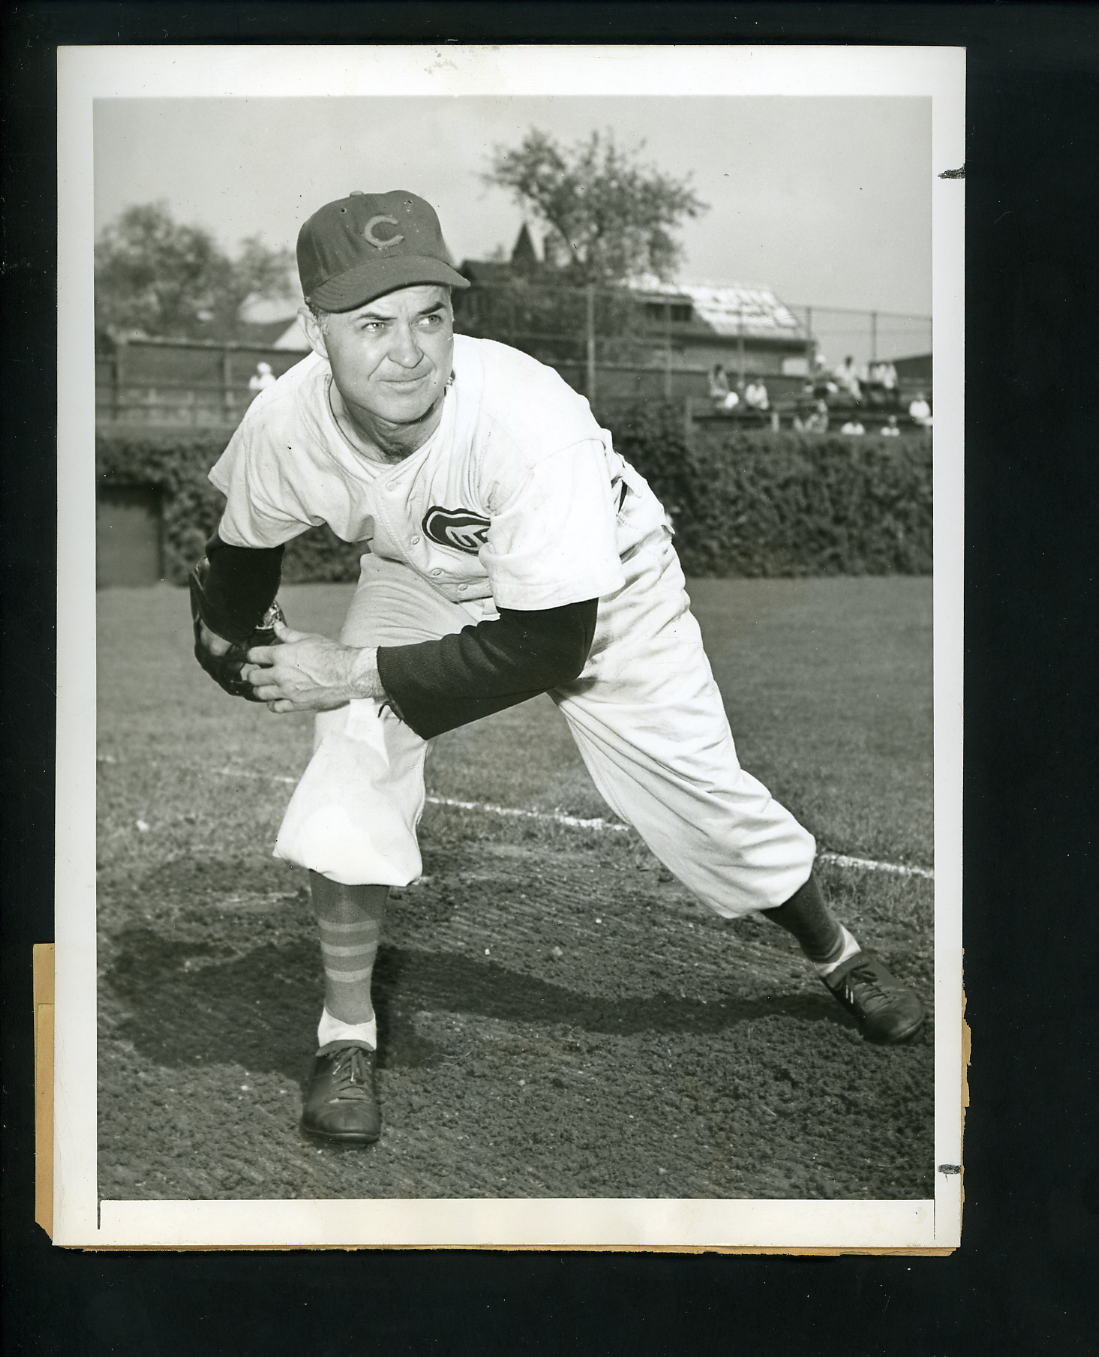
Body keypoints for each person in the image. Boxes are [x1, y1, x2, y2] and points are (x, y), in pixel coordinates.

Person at [190, 189, 925, 1147]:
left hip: (602, 586)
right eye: (371, 323)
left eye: (431, 315)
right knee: (350, 753)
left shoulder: (532, 424)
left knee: (693, 788)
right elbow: (240, 557)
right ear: (314, 329)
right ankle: (345, 1033)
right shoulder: (282, 422)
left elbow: (544, 644)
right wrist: (231, 647)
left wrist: (351, 668)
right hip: (424, 574)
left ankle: (838, 954)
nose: (408, 350)